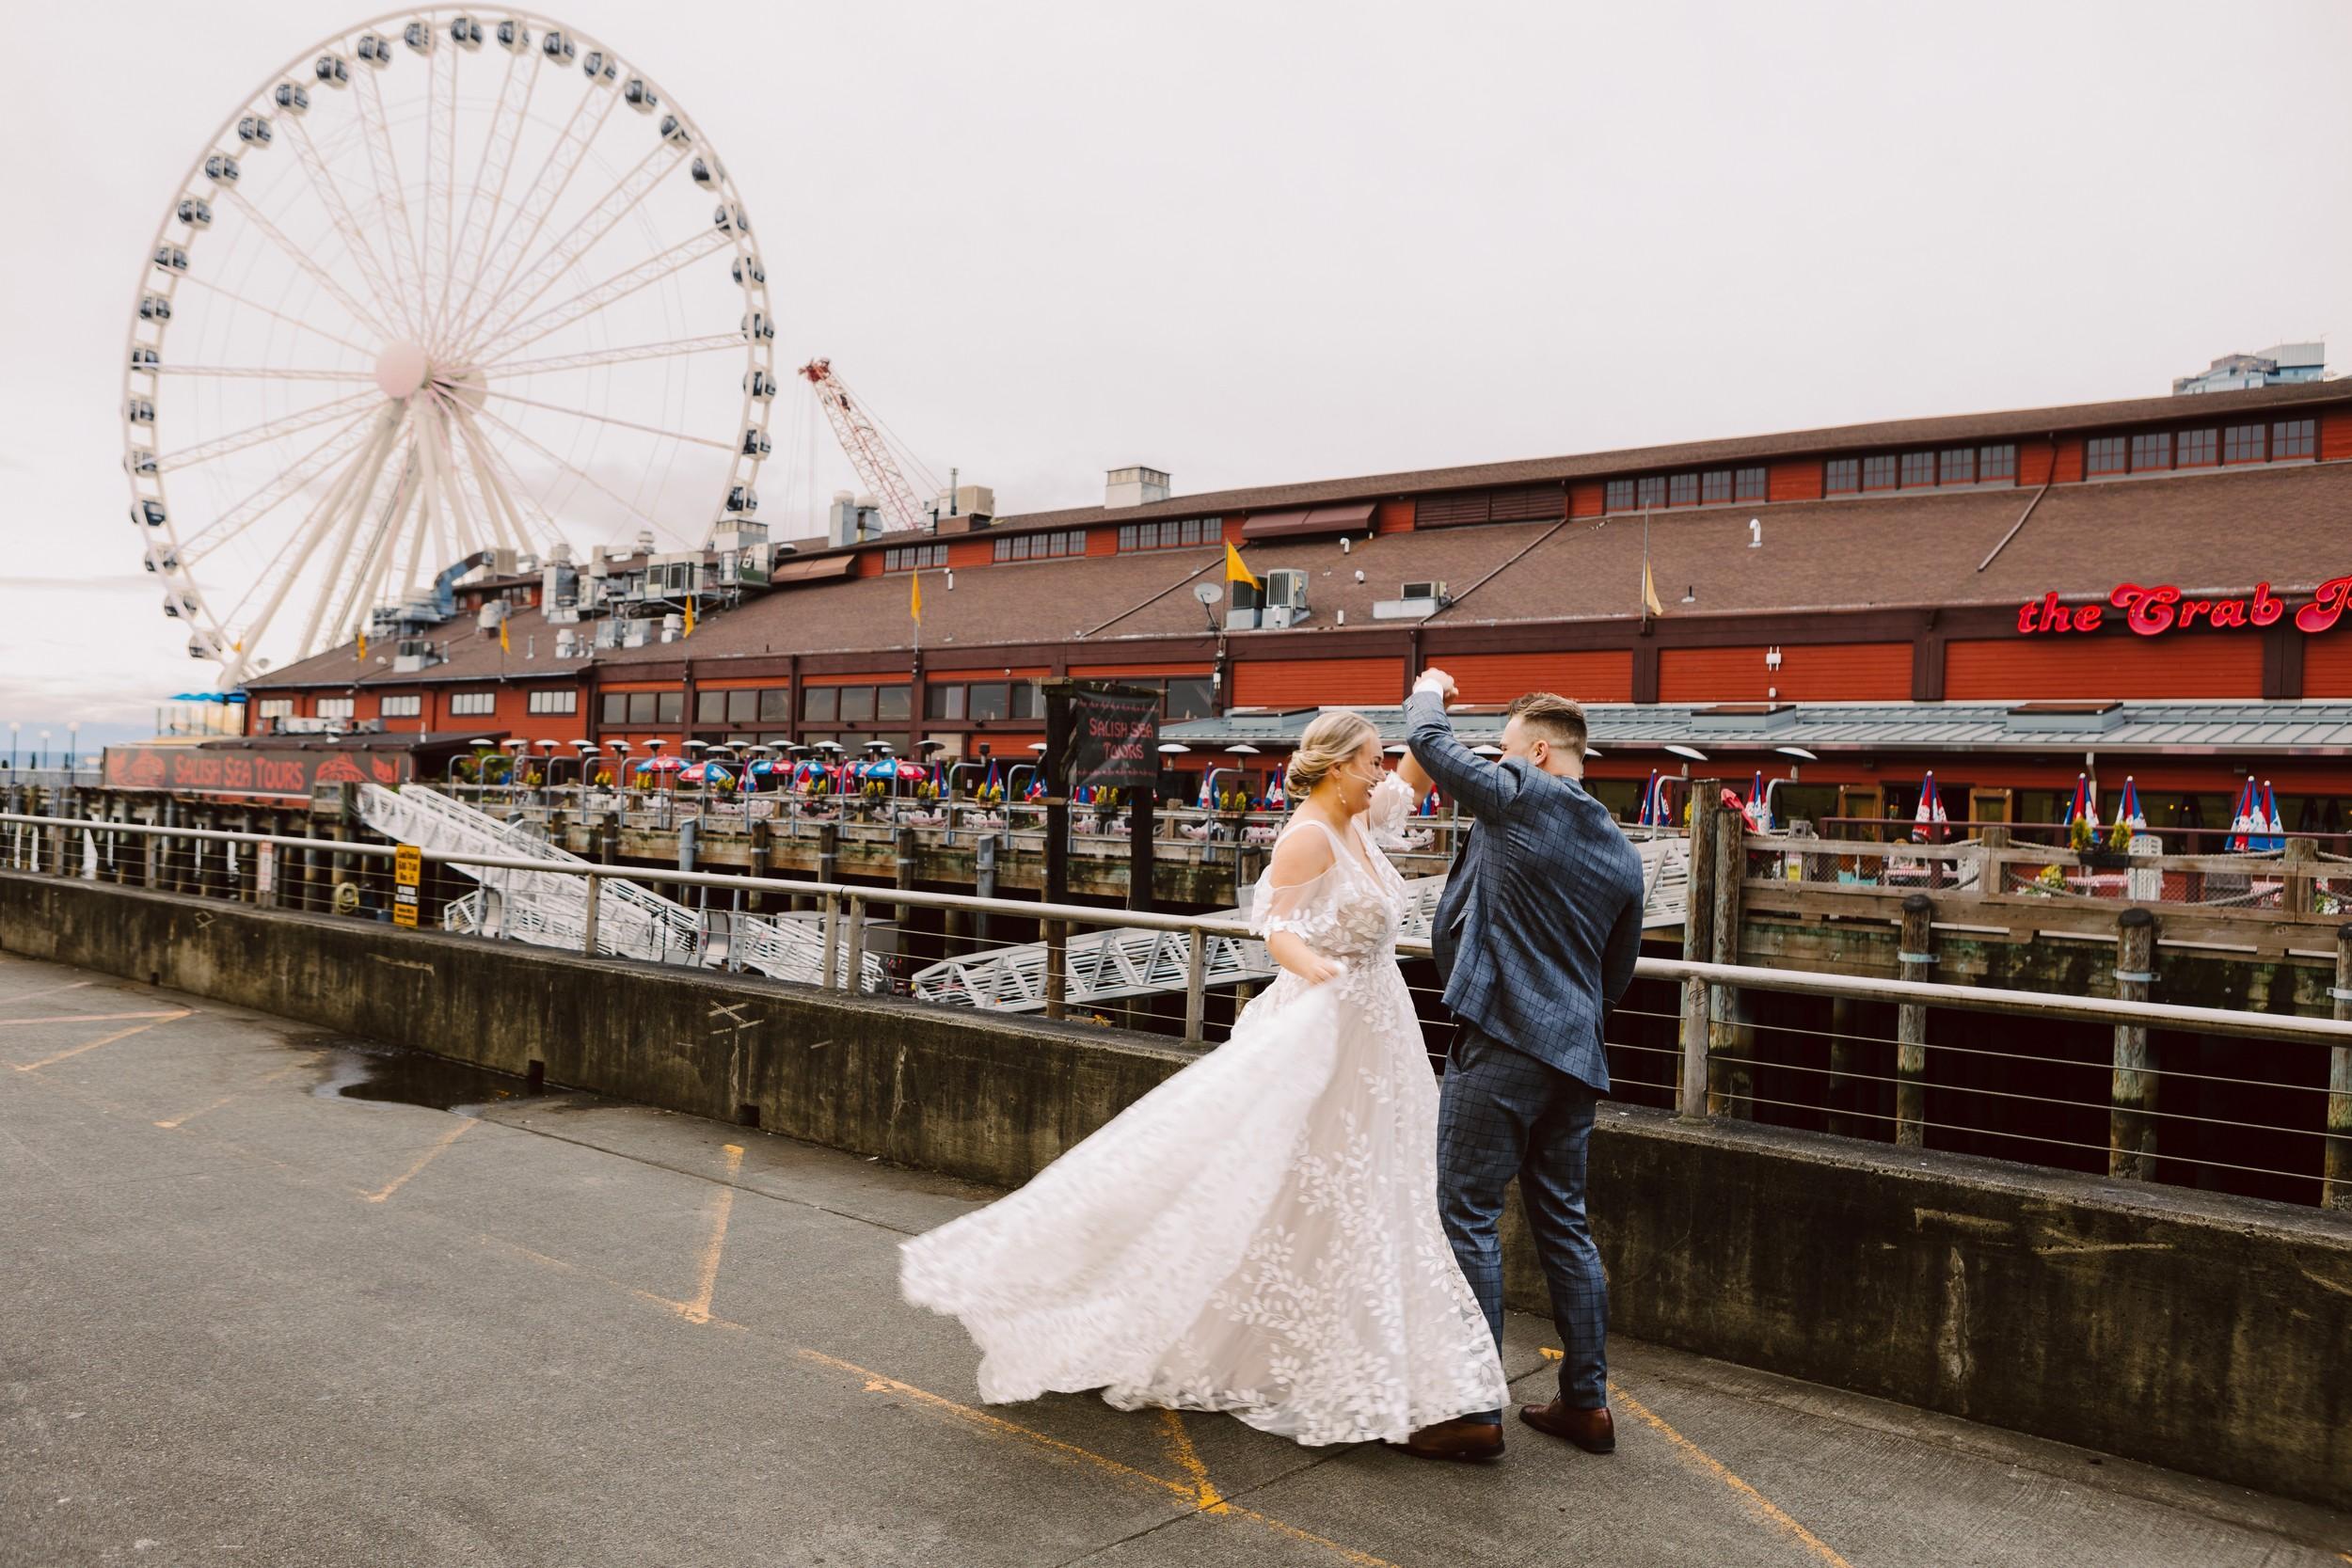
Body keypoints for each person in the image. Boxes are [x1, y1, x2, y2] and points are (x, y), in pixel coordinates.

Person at [899, 709, 1507, 1449]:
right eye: (1373, 760)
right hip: (1329, 1027)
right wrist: (1313, 965)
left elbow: (1408, 784)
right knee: (1326, 1186)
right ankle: (1358, 1372)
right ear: (1339, 765)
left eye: (1383, 760)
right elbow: (1275, 924)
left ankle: (1379, 1364)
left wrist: (1429, 697)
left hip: (1378, 1033)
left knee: (1366, 1187)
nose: (1382, 772)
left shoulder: (1356, 818)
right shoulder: (1310, 835)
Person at [1396, 673, 1646, 1462]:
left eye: (1503, 749)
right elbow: (1616, 974)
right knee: (1564, 1224)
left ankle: (1472, 1409)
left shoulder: (1522, 793)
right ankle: (1587, 1403)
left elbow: (1427, 741)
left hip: (1502, 1040)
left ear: (1537, 753)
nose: (1495, 762)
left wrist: (1428, 686)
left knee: (1467, 1214)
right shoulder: (1622, 851)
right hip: (1575, 1057)